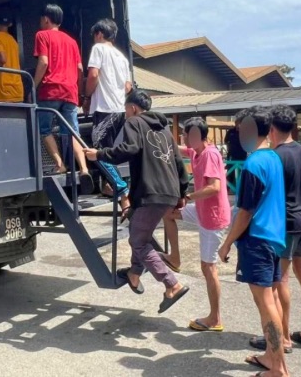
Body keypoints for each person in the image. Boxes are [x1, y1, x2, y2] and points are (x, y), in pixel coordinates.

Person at [84, 89, 190, 314]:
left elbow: (129, 149)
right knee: (138, 231)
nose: (125, 114)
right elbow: (179, 164)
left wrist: (99, 154)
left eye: (125, 110)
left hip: (150, 192)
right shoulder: (165, 131)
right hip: (167, 192)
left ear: (132, 108)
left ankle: (172, 284)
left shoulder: (134, 123)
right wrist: (181, 193)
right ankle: (134, 273)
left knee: (138, 242)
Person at [218, 106, 289, 377]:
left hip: (257, 240)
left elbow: (245, 212)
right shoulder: (273, 158)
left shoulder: (253, 164)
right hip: (274, 239)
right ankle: (272, 357)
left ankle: (279, 368)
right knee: (269, 298)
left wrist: (226, 244)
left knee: (265, 303)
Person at [250, 105, 301, 354]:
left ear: (271, 129)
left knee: (280, 280)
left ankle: (282, 337)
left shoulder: (276, 156)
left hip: (285, 225)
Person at [160, 117, 231, 332]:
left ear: (202, 136)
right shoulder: (195, 151)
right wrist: (157, 135)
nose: (187, 139)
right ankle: (175, 257)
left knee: (208, 268)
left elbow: (215, 187)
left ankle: (215, 318)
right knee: (168, 213)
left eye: (191, 135)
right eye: (186, 135)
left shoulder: (209, 154)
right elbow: (178, 149)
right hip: (201, 212)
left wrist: (188, 197)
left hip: (213, 217)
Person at [34, 4, 92, 191]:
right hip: (70, 92)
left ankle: (60, 164)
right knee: (72, 131)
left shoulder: (42, 35)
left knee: (44, 129)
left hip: (50, 90)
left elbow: (43, 61)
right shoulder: (72, 41)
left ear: (46, 19)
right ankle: (83, 169)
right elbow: (80, 69)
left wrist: (33, 85)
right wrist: (79, 91)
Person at [84, 18, 132, 212]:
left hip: (105, 108)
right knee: (107, 150)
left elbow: (93, 75)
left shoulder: (99, 49)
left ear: (99, 34)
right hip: (120, 109)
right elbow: (128, 86)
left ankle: (122, 192)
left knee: (98, 152)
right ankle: (108, 186)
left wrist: (87, 96)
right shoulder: (122, 57)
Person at [0, 11, 23, 103]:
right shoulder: (14, 41)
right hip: (17, 90)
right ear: (10, 24)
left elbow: (2, 59)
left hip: (2, 90)